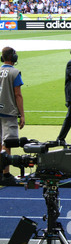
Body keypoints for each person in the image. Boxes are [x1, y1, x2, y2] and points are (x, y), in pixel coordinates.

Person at [0, 47, 24, 186]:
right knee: (7, 143)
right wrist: (22, 114)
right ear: (13, 58)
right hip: (9, 111)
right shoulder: (15, 72)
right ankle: (6, 174)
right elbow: (18, 95)